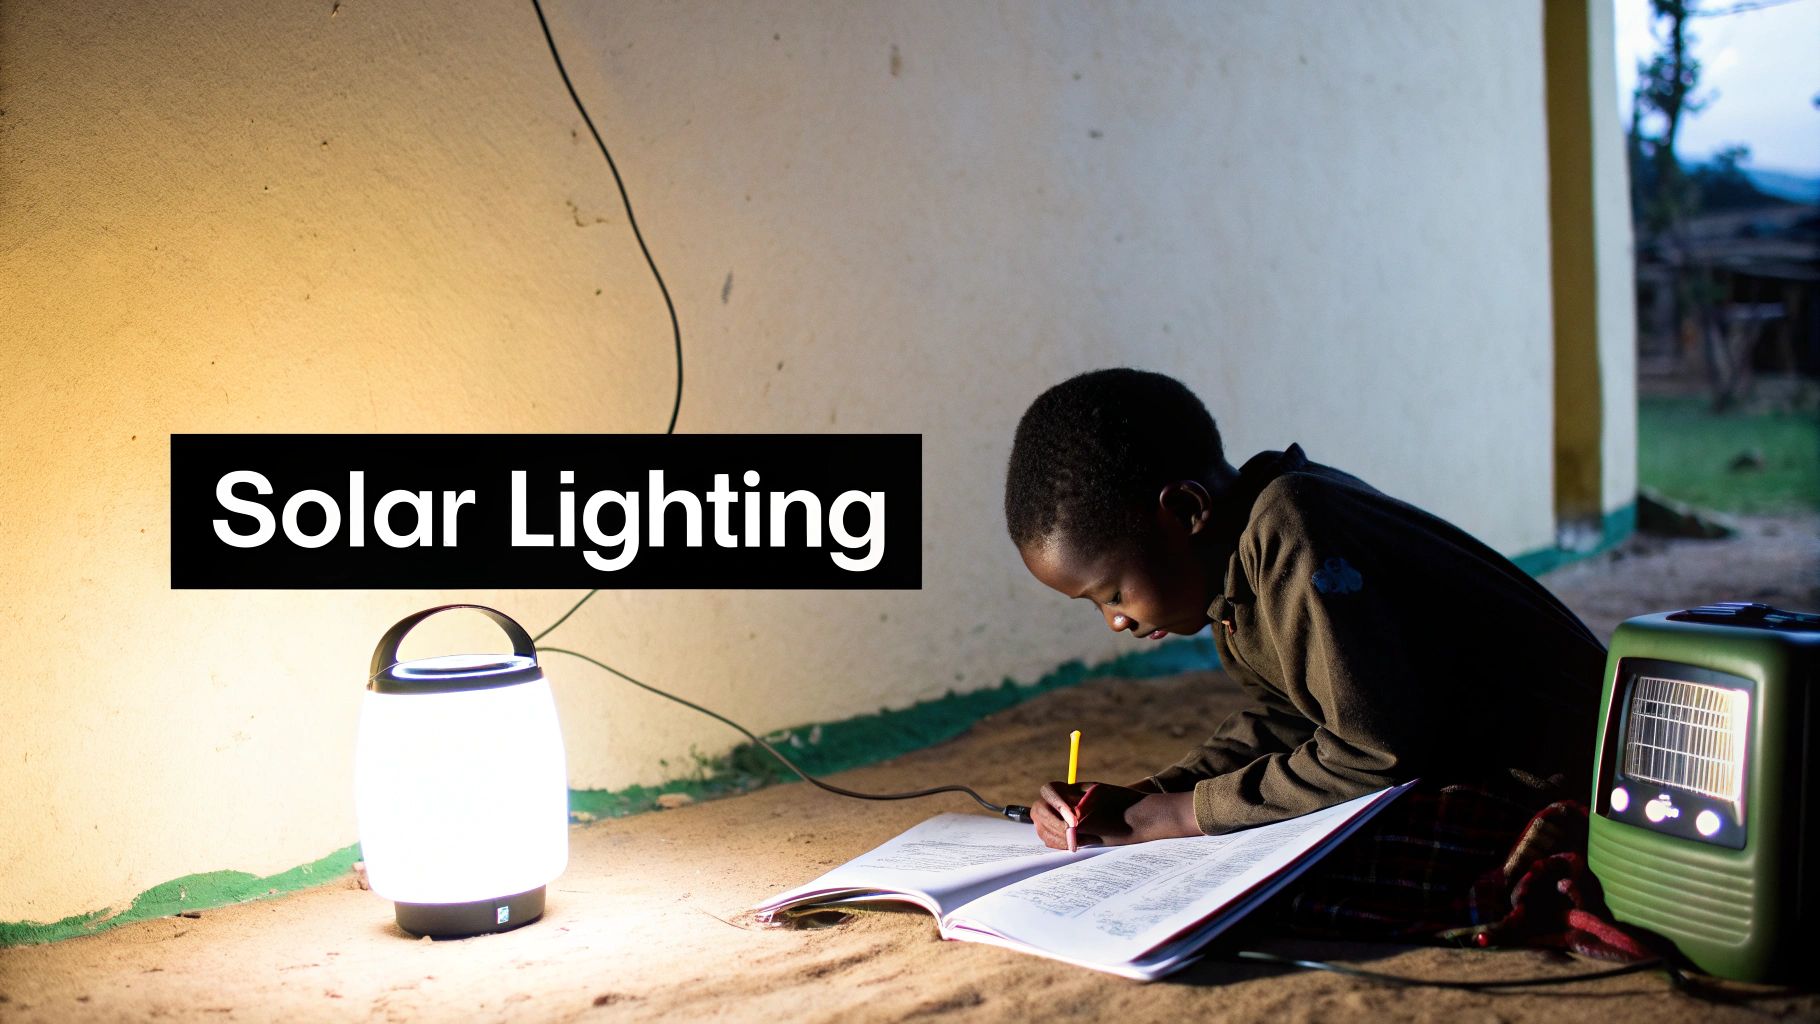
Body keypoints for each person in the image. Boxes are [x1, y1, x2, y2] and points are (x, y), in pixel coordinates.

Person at [1003, 368, 1608, 860]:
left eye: (1111, 594)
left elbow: (1372, 752)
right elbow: (1292, 717)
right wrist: (1149, 794)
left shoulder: (1294, 529)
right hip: (1479, 752)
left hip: (1573, 771)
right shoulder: (1236, 569)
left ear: (1186, 512)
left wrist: (1174, 816)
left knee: (1321, 868)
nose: (1115, 621)